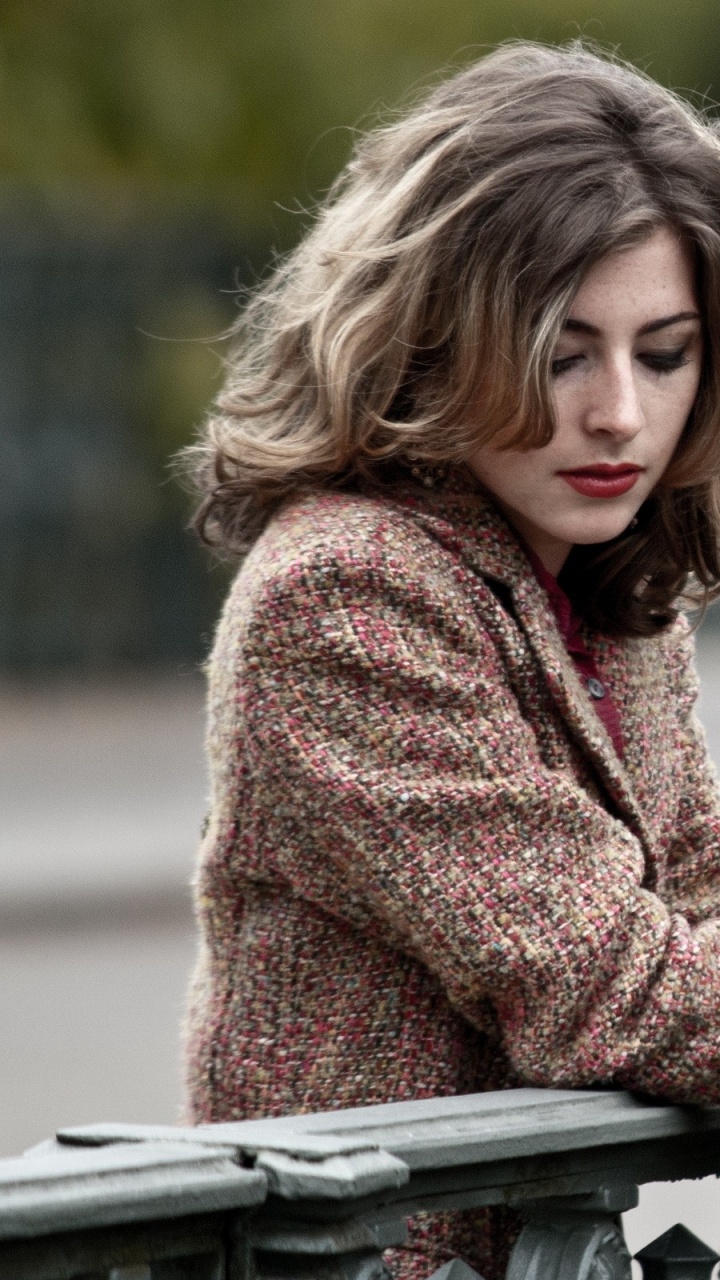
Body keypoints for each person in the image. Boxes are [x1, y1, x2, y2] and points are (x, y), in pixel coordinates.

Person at [181, 40, 720, 1280]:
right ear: (433, 336)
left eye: (666, 350)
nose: (620, 416)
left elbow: (691, 904)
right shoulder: (349, 588)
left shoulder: (605, 591)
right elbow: (621, 987)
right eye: (560, 349)